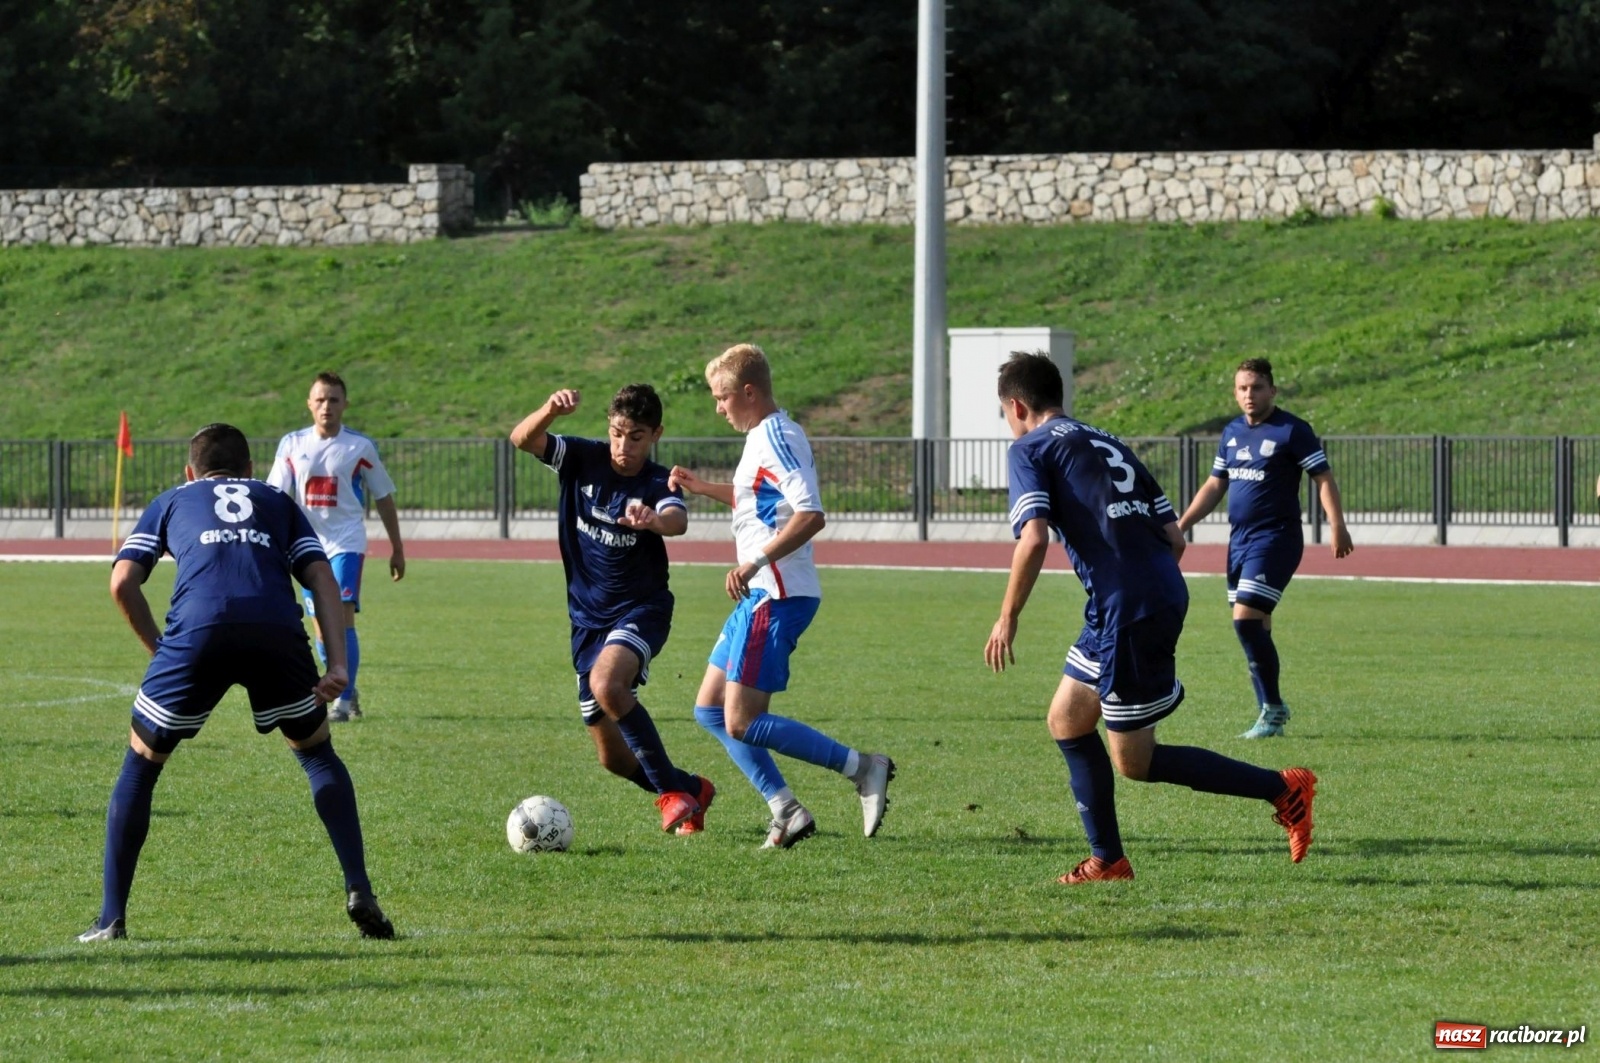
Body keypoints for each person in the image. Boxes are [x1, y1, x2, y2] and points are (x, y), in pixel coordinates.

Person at [983, 351, 1316, 883]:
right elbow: (1174, 537)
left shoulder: (1030, 447)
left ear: (1017, 406)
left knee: (1135, 762)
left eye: (1005, 413)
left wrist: (1007, 615)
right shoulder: (1107, 440)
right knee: (1067, 720)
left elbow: (1034, 536)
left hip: (1128, 608)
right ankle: (1107, 860)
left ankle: (1283, 788)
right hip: (1137, 598)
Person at [80, 423, 394, 942]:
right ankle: (359, 887)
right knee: (316, 754)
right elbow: (321, 578)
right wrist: (336, 662)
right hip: (275, 627)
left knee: (141, 763)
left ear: (190, 472)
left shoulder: (173, 499)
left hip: (197, 630)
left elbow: (121, 581)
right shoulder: (274, 498)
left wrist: (162, 650)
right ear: (250, 469)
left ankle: (111, 917)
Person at [668, 343, 894, 849]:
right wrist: (703, 487)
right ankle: (787, 810)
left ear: (748, 392)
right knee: (709, 710)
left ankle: (862, 767)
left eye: (722, 397)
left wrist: (754, 562)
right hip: (761, 593)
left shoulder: (777, 435)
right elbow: (757, 497)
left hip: (775, 593)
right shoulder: (759, 437)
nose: (717, 407)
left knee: (742, 719)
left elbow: (810, 513)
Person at [510, 384, 716, 834]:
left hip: (642, 609)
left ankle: (670, 796)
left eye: (637, 436)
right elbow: (522, 439)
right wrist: (549, 407)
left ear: (656, 434)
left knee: (608, 683)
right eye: (618, 433)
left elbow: (678, 520)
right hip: (586, 622)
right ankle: (692, 790)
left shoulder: (657, 480)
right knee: (612, 758)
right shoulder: (583, 458)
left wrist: (654, 522)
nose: (624, 446)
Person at [1175, 357, 1353, 738]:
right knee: (1257, 628)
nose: (1249, 395)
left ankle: (1273, 708)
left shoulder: (1292, 430)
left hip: (1276, 538)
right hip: (1238, 542)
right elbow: (1215, 485)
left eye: (1256, 387)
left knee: (1245, 621)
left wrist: (1337, 526)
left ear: (1273, 390)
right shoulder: (1232, 432)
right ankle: (1269, 715)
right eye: (1242, 388)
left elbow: (1323, 477)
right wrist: (1182, 524)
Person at [267, 371, 406, 723]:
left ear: (345, 403)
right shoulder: (292, 444)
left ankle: (342, 701)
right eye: (320, 399)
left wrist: (397, 547)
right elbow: (276, 497)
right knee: (320, 629)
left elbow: (384, 497)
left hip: (346, 542)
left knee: (341, 618)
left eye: (333, 399)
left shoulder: (359, 447)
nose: (326, 405)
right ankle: (348, 686)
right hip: (306, 546)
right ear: (309, 404)